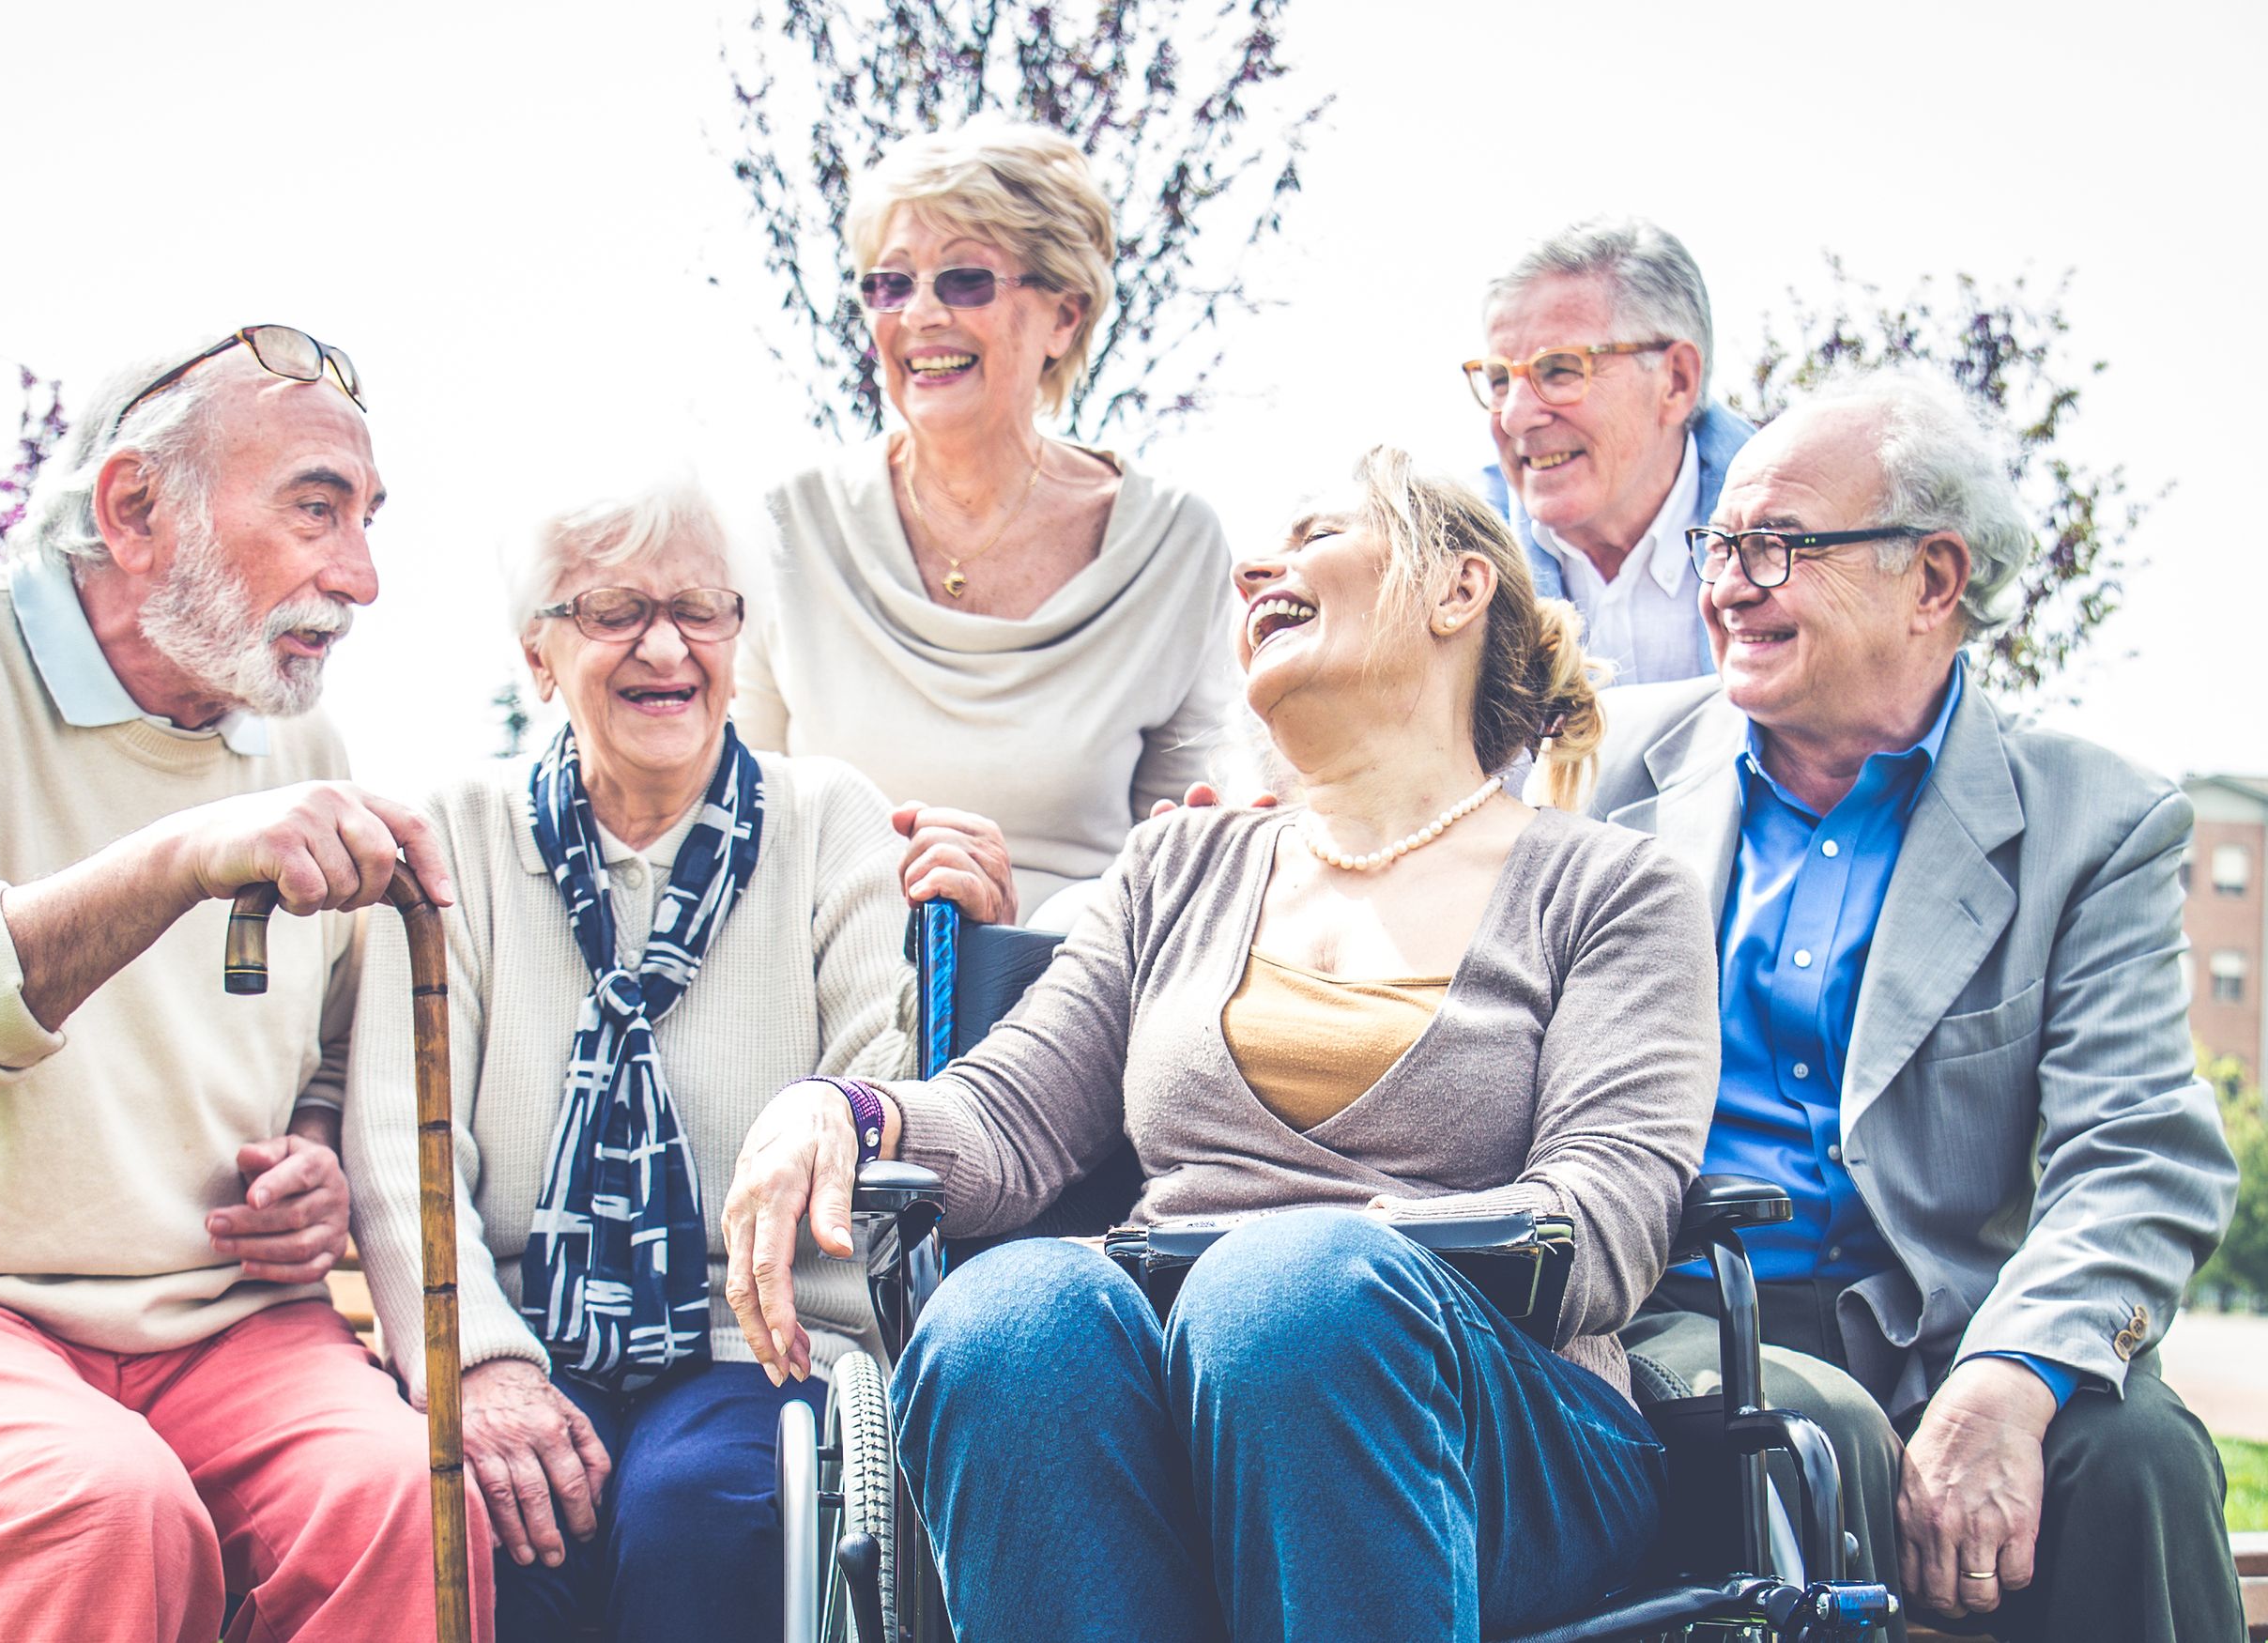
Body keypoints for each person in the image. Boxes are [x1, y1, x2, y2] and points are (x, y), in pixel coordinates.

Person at [724, 446, 1724, 1641]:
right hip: (1181, 1390)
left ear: (1457, 592)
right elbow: (1007, 1118)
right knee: (1011, 1318)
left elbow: (1604, 1219)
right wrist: (841, 1109)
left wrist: (1308, 1259)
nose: (1258, 567)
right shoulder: (1174, 869)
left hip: (1497, 1420)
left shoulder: (1610, 887)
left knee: (1288, 1297)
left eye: (1312, 532)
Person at [0, 328, 493, 1641]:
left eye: (366, 518)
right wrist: (175, 862)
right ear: (136, 508)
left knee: (408, 1505)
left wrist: (309, 1155)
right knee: (101, 1516)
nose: (360, 575)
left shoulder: (298, 727)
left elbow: (334, 1051)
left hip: (217, 1322)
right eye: (315, 509)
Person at [1595, 369, 2244, 1642]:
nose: (1730, 583)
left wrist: (2012, 1373)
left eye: (1777, 545)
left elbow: (2138, 1153)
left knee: (2143, 1455)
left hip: (1958, 1320)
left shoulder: (2099, 823)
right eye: (1720, 542)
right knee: (1797, 1438)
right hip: (1683, 1314)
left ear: (1934, 580)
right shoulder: (1602, 765)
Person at [343, 469, 1015, 1642]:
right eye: (613, 612)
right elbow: (405, 1135)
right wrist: (483, 1367)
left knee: (698, 1511)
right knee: (497, 1522)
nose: (667, 647)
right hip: (525, 1324)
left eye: (702, 610)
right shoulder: (458, 833)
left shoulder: (826, 823)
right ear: (539, 657)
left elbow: (876, 1089)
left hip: (760, 1336)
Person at [738, 117, 1241, 929]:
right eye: (890, 284)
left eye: (966, 280)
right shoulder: (787, 530)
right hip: (829, 989)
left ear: (1064, 317)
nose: (921, 314)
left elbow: (1180, 863)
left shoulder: (1174, 546)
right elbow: (731, 824)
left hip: (1070, 995)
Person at [1472, 216, 1755, 686]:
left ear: (1676, 382)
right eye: (1500, 380)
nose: (1514, 417)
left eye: (1559, 370)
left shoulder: (1812, 549)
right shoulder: (1449, 569)